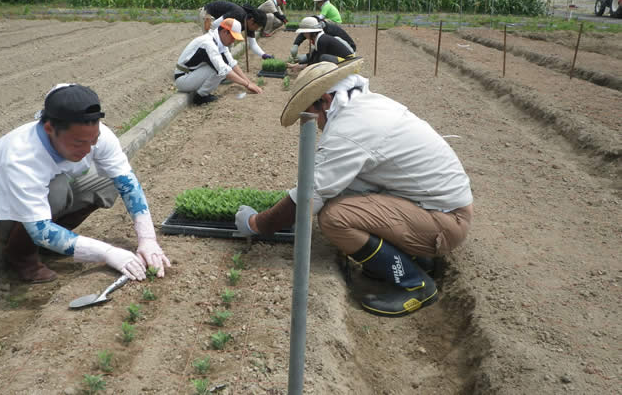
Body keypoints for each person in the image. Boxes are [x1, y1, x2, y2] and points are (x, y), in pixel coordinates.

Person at [234, 59, 474, 317]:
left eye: (311, 114)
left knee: (335, 218)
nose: (315, 124)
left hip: (445, 222)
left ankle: (415, 284)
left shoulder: (349, 128)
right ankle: (413, 257)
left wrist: (257, 224)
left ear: (325, 101)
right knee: (343, 196)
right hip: (434, 207)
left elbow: (309, 195)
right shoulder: (368, 106)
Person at [0, 83, 171, 284]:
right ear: (49, 128)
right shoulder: (22, 157)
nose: (88, 149)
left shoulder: (93, 135)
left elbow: (128, 183)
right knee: (56, 190)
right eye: (79, 143)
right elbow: (40, 230)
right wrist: (108, 253)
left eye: (94, 140)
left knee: (107, 181)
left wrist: (148, 239)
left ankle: (52, 245)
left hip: (42, 196)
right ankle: (21, 256)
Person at [175, 17, 263, 105]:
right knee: (220, 70)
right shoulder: (209, 43)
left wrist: (249, 82)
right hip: (183, 78)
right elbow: (224, 70)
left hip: (193, 73)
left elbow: (232, 63)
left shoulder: (219, 42)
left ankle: (202, 94)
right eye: (232, 37)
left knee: (222, 66)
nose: (233, 41)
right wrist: (246, 84)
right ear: (224, 32)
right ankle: (200, 97)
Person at [198, 0, 272, 59]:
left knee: (228, 44)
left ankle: (224, 64)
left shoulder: (249, 25)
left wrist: (263, 55)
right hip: (209, 15)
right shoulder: (238, 14)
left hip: (220, 22)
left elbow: (253, 44)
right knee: (212, 42)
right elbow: (214, 25)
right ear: (252, 20)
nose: (256, 30)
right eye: (257, 27)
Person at [289, 16, 355, 71]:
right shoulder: (319, 38)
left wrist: (302, 67)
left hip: (348, 62)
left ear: (311, 32)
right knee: (319, 57)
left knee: (323, 58)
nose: (303, 35)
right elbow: (314, 56)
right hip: (342, 60)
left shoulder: (322, 40)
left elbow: (317, 61)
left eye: (305, 32)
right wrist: (299, 64)